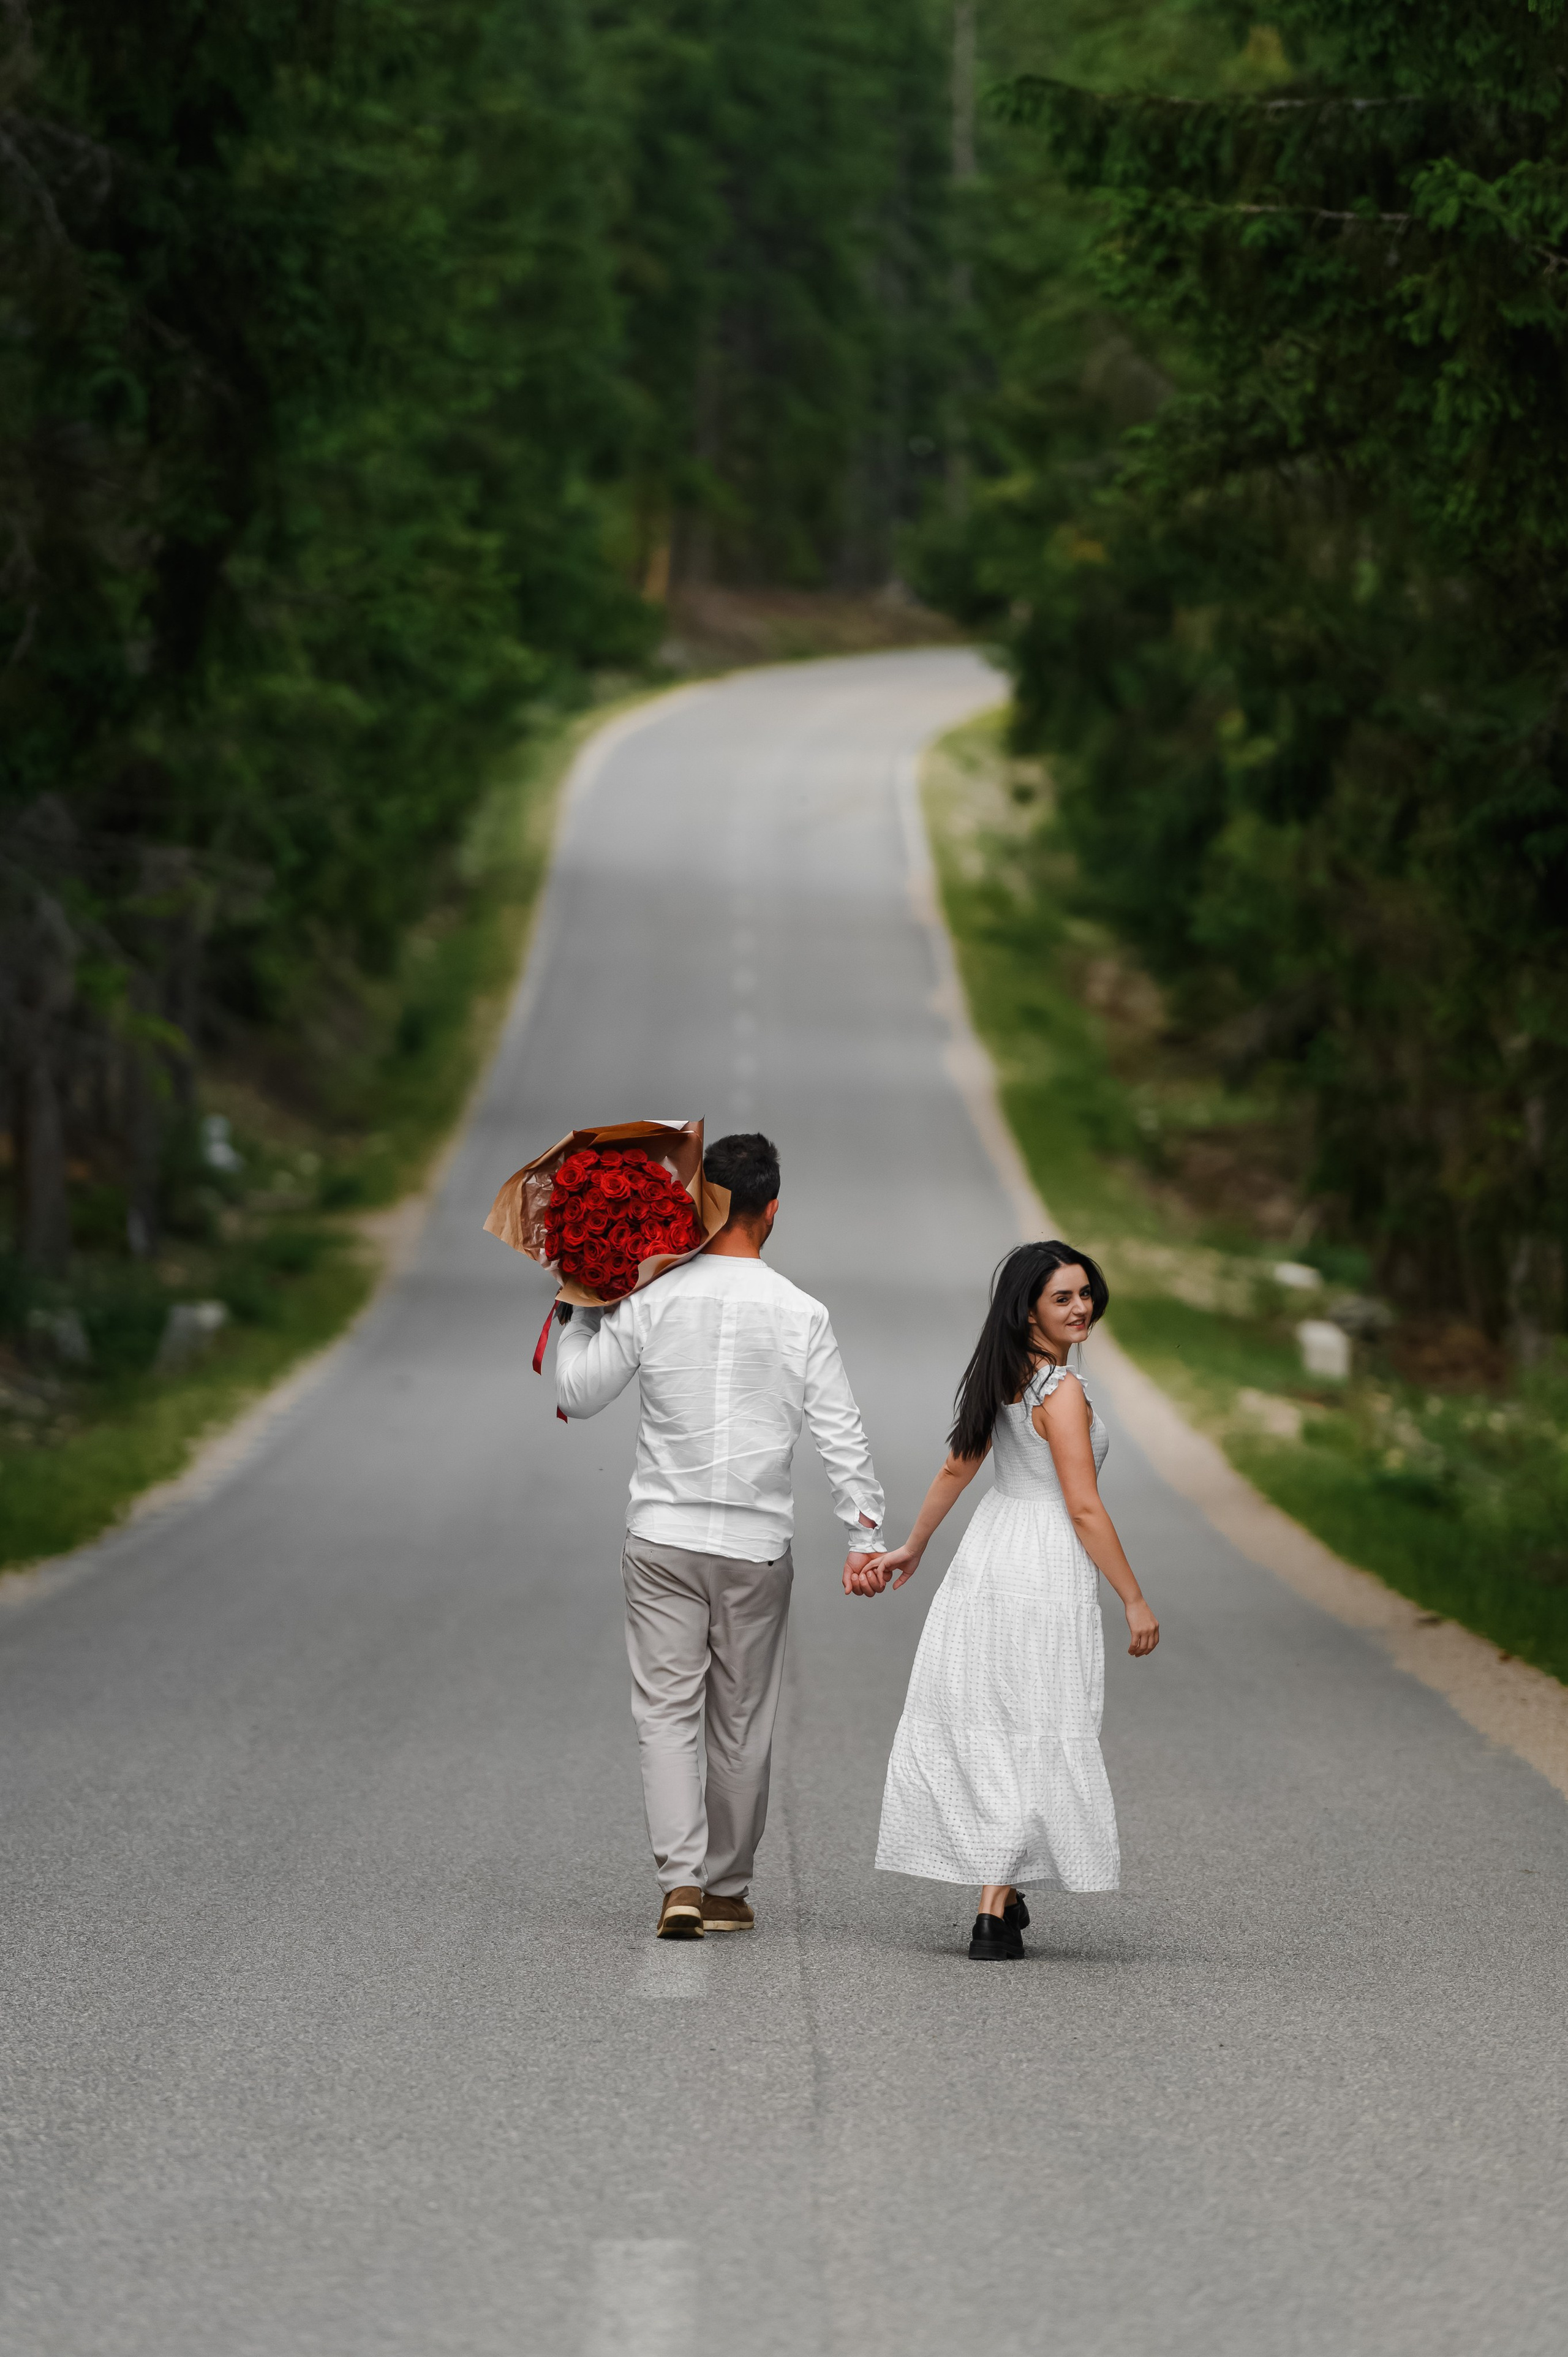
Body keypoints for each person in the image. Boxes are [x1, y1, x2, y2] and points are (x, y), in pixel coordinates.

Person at [555, 1132, 885, 1939]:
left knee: (666, 1715)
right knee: (742, 1720)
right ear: (772, 1211)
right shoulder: (803, 1313)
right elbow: (840, 1431)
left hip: (662, 1538)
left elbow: (578, 1393)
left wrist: (578, 1308)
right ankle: (728, 1888)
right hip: (755, 1547)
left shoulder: (652, 1300)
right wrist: (863, 1535)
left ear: (699, 1203)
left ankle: (680, 1883)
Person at [853, 1240, 1158, 1960]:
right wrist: (1133, 1597)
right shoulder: (1062, 1390)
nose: (1080, 1306)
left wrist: (916, 1545)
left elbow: (955, 1467)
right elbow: (1082, 1506)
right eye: (1062, 1297)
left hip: (990, 1554)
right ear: (1027, 1311)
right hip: (1045, 1561)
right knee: (1038, 1718)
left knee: (1002, 1719)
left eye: (1084, 1292)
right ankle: (993, 1905)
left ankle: (1003, 1894)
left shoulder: (1005, 1374)